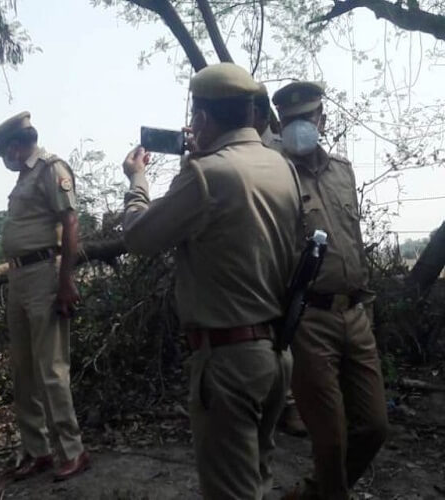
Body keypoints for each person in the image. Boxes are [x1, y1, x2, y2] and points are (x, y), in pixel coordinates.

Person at [122, 63, 299, 499]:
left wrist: (137, 181)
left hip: (228, 361)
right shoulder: (281, 168)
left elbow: (140, 237)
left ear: (201, 119)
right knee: (255, 477)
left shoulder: (207, 175)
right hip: (276, 355)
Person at [273, 81, 388, 500]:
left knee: (375, 426)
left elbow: (353, 242)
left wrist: (367, 305)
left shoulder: (343, 171)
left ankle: (314, 493)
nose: (298, 127)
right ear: (279, 125)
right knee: (330, 437)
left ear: (322, 119)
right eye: (289, 121)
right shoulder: (274, 175)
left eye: (306, 118)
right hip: (309, 319)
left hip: (355, 314)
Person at [0, 111, 89, 482]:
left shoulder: (50, 168)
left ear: (16, 146)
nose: (5, 161)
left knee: (51, 370)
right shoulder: (23, 177)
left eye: (5, 153)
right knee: (23, 370)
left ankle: (73, 451)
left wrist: (66, 281)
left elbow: (71, 222)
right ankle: (37, 450)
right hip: (18, 279)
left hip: (44, 275)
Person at [254, 82, 308, 438]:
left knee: (297, 328)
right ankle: (278, 405)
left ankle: (296, 404)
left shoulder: (291, 147)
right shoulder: (253, 150)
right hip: (260, 251)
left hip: (295, 249)